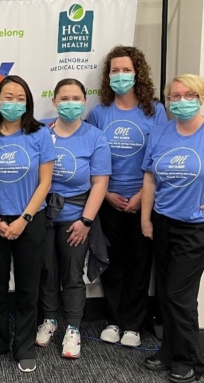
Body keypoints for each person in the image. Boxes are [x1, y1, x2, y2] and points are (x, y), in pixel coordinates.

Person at [87, 46, 167, 347]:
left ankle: (133, 325)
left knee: (139, 263)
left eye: (126, 70)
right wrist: (105, 194)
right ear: (108, 76)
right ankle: (113, 320)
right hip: (108, 200)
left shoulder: (154, 111)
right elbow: (92, 159)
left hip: (143, 200)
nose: (120, 76)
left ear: (138, 73)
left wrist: (141, 197)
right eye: (115, 71)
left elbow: (160, 156)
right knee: (112, 261)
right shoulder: (99, 113)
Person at [0, 76, 55, 373]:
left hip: (29, 220)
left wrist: (24, 219)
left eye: (19, 97)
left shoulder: (39, 135)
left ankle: (23, 345)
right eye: (7, 97)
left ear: (28, 102)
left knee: (27, 287)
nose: (13, 102)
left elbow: (45, 181)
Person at [36, 78, 111, 358]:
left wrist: (86, 221)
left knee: (71, 274)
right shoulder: (41, 132)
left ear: (84, 101)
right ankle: (50, 320)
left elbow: (100, 183)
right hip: (42, 215)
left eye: (76, 98)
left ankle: (73, 328)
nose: (70, 103)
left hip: (77, 217)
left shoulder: (95, 137)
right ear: (54, 102)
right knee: (47, 271)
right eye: (64, 98)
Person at [141, 74, 204, 383]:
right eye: (175, 95)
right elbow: (150, 178)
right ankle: (168, 350)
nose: (181, 100)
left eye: (189, 94)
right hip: (164, 221)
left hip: (195, 228)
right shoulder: (161, 132)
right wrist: (145, 218)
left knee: (180, 296)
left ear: (201, 97)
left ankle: (188, 359)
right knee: (165, 293)